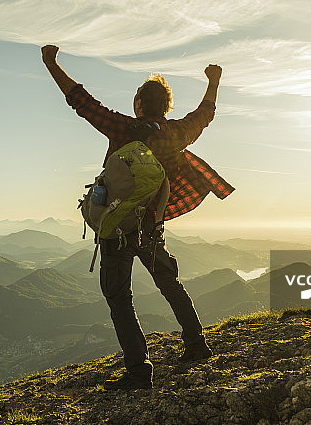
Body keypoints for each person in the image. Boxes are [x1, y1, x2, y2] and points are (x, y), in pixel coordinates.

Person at [41, 44, 234, 391]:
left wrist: (51, 63)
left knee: (119, 296)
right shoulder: (176, 134)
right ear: (168, 107)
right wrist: (213, 81)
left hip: (118, 227)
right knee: (168, 281)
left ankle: (138, 371)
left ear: (139, 104)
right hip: (151, 227)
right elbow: (204, 114)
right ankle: (197, 344)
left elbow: (82, 102)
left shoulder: (123, 128)